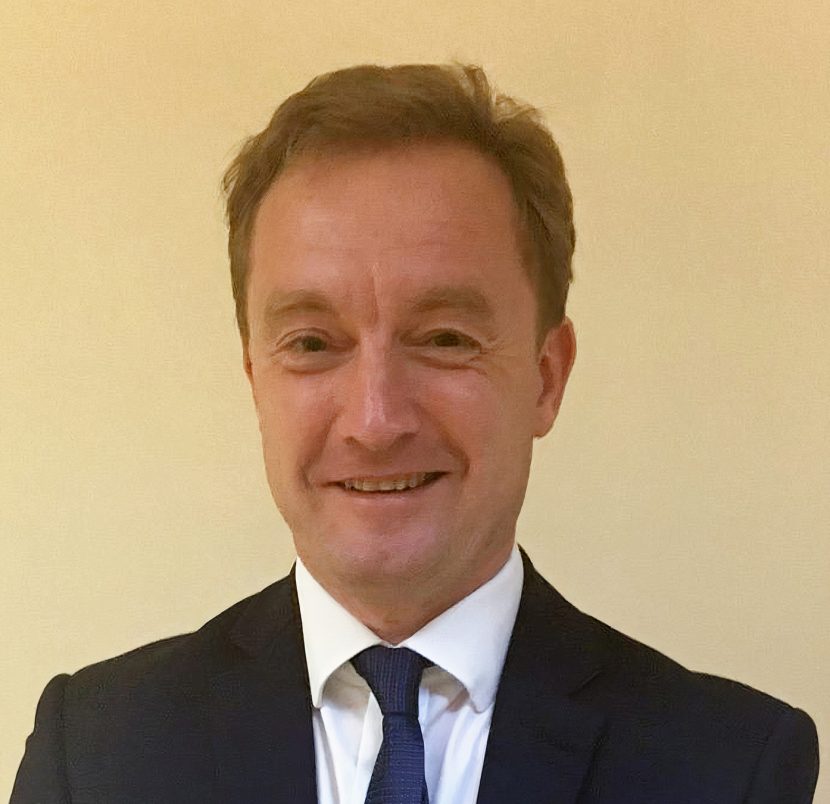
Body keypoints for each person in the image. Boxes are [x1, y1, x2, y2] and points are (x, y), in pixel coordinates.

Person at [12, 62, 819, 804]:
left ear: (546, 375)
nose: (375, 421)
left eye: (444, 339)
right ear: (256, 378)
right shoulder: (95, 753)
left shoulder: (729, 766)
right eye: (313, 345)